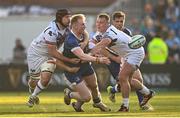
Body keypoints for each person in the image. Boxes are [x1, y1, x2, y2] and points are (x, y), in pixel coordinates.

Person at [91, 13, 155, 112]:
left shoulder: (109, 33)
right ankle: (147, 93)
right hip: (127, 55)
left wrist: (88, 53)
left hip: (135, 53)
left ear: (107, 24)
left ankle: (125, 106)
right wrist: (89, 46)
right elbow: (93, 41)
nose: (98, 25)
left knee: (123, 78)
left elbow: (104, 43)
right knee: (127, 81)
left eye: (101, 23)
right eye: (97, 22)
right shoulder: (100, 33)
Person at [27, 9, 82, 107]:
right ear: (59, 18)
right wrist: (69, 60)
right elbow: (53, 51)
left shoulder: (68, 27)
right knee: (33, 80)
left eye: (69, 16)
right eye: (66, 17)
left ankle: (33, 96)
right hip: (35, 53)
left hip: (49, 55)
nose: (69, 19)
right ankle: (32, 90)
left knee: (45, 79)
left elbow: (82, 32)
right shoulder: (51, 31)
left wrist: (84, 41)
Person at [63, 14, 111, 112]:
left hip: (85, 66)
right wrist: (98, 59)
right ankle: (69, 94)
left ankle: (96, 103)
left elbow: (86, 35)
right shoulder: (70, 40)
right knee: (87, 97)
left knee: (94, 85)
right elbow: (82, 56)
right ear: (75, 26)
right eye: (82, 24)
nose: (85, 26)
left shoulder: (83, 33)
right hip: (73, 70)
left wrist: (85, 42)